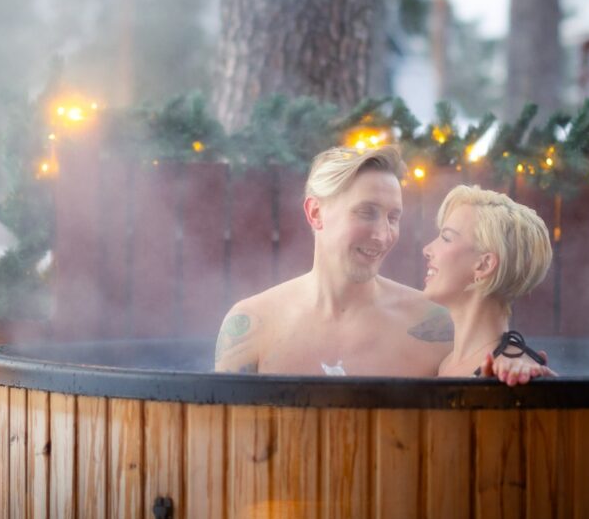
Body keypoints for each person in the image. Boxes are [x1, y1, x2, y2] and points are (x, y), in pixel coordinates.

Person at [213, 145, 455, 376]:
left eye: (393, 217)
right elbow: (220, 419)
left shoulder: (435, 325)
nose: (382, 235)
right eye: (366, 212)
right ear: (316, 213)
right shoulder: (253, 325)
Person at [421, 184, 555, 383]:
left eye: (446, 238)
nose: (427, 249)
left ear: (484, 265)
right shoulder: (445, 363)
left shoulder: (513, 373)